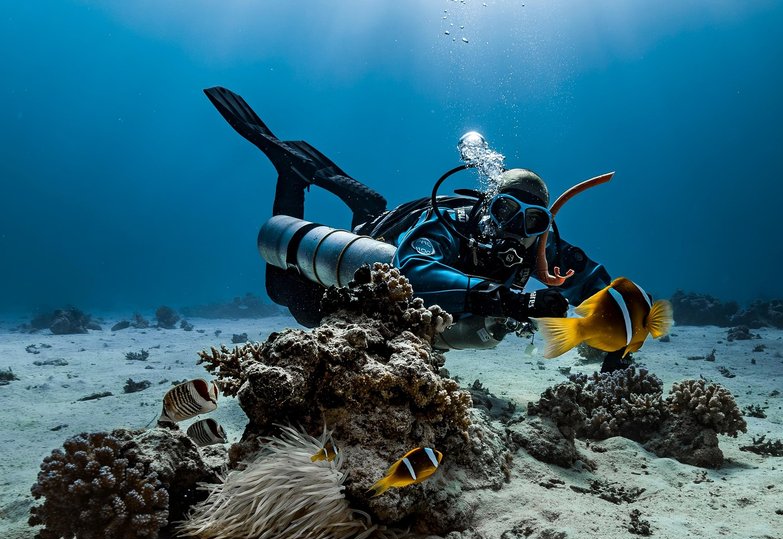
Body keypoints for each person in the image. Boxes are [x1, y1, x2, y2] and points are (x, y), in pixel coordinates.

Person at [204, 87, 624, 370]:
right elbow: (414, 271)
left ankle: (359, 199)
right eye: (503, 209)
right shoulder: (451, 222)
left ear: (543, 226)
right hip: (381, 250)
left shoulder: (539, 247)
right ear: (487, 204)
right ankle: (291, 177)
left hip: (399, 240)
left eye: (532, 220)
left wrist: (620, 330)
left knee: (369, 208)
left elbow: (589, 279)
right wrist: (507, 300)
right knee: (291, 298)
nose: (513, 227)